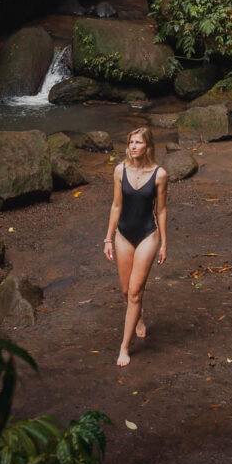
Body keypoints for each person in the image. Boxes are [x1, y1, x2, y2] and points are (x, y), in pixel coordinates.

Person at [103, 125, 168, 365]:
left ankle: (124, 346)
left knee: (135, 291)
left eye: (138, 142)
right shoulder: (120, 170)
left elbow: (160, 210)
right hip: (123, 235)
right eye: (131, 142)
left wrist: (163, 242)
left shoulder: (160, 174)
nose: (133, 146)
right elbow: (116, 206)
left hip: (147, 235)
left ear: (148, 146)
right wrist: (108, 238)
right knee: (124, 291)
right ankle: (138, 317)